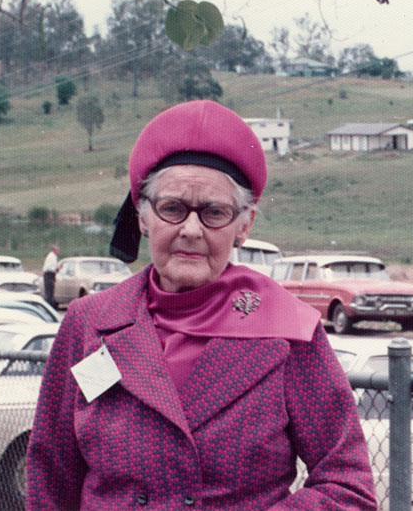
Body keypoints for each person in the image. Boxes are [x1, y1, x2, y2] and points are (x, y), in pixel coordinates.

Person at [26, 100, 376, 510]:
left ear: (244, 225)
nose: (191, 230)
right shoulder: (90, 321)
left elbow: (348, 486)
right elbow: (51, 475)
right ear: (143, 217)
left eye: (214, 213)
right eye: (172, 208)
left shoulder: (288, 330)